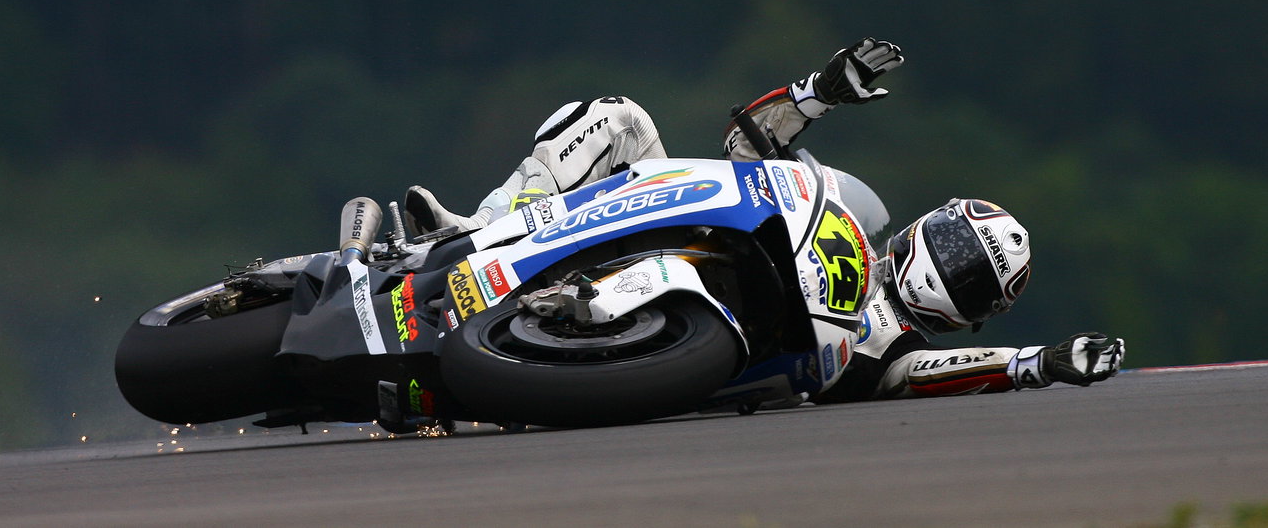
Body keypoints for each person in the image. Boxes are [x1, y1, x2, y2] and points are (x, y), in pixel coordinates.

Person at [405, 38, 1125, 402]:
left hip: (700, 367)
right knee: (618, 120)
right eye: (953, 246)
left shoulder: (898, 355)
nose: (949, 267)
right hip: (690, 225)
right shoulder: (851, 213)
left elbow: (942, 375)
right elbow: (748, 150)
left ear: (974, 316)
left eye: (969, 277)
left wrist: (1037, 365)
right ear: (922, 226)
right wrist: (820, 93)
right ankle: (476, 229)